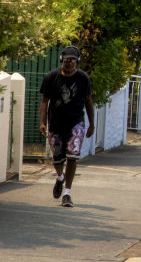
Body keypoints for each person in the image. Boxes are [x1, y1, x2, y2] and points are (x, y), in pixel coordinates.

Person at [39, 45, 94, 208]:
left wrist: (92, 124)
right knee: (57, 158)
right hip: (55, 123)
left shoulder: (83, 78)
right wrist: (42, 122)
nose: (69, 63)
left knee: (72, 156)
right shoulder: (51, 77)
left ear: (77, 62)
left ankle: (67, 193)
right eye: (67, 60)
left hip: (76, 123)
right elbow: (44, 102)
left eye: (73, 60)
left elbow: (88, 102)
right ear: (61, 60)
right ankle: (60, 177)